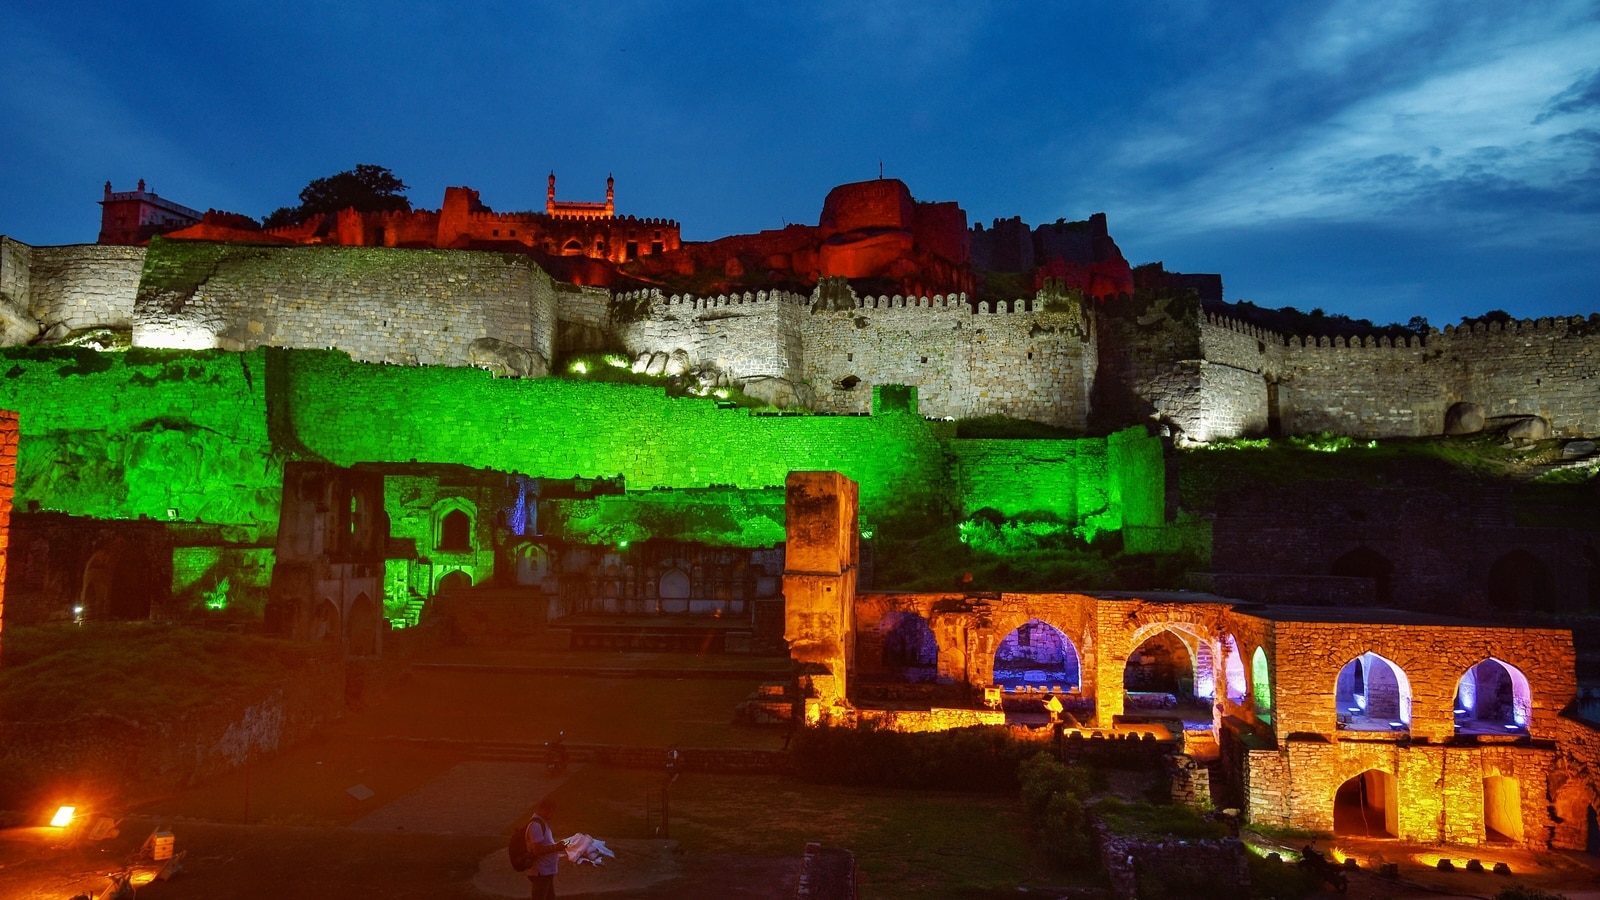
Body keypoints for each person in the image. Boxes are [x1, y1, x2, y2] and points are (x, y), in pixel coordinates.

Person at [525, 798, 567, 900]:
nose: (552, 815)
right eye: (551, 811)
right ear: (544, 809)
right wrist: (555, 847)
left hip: (546, 871)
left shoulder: (541, 823)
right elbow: (537, 850)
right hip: (540, 872)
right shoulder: (536, 826)